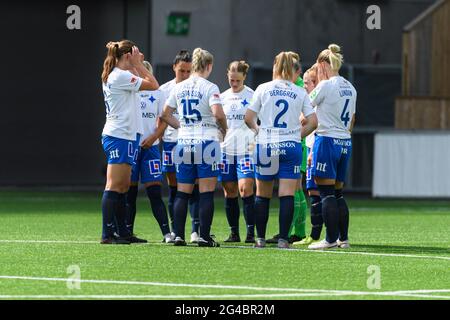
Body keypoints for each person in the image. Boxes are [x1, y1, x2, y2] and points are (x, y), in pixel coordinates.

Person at [245, 51, 317, 249]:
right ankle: (284, 239)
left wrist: (259, 131)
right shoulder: (299, 91)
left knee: (262, 194)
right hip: (290, 146)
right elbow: (313, 122)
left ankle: (260, 239)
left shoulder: (263, 88)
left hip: (266, 145)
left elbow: (248, 117)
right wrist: (297, 136)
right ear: (292, 69)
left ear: (275, 66)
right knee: (287, 195)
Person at [161, 47, 227, 247]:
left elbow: (165, 114)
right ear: (208, 66)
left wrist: (183, 127)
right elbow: (217, 114)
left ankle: (178, 235)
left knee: (182, 191)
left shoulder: (178, 87)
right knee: (206, 192)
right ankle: (204, 237)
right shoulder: (210, 87)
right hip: (206, 141)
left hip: (184, 143)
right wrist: (224, 130)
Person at [100, 40, 159, 244]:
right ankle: (107, 234)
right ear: (127, 56)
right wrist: (139, 66)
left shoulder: (121, 75)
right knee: (115, 184)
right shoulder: (120, 75)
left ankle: (122, 232)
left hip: (127, 135)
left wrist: (135, 65)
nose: (140, 55)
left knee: (124, 186)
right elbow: (154, 85)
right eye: (136, 53)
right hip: (119, 136)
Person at [307, 44, 357, 250]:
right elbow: (352, 119)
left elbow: (306, 107)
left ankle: (329, 239)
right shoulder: (351, 88)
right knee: (338, 193)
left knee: (325, 192)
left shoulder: (325, 86)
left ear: (322, 65)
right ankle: (343, 239)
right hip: (345, 141)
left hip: (327, 140)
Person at [126, 61, 173, 244]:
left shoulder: (158, 93)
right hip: (132, 146)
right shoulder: (130, 91)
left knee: (154, 192)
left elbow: (164, 119)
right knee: (129, 193)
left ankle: (166, 233)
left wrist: (154, 137)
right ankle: (127, 232)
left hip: (151, 149)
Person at [159, 50, 201, 243]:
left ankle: (195, 231)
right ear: (174, 67)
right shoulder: (164, 90)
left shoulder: (198, 87)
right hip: (170, 142)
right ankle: (176, 231)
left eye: (188, 71)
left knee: (194, 185)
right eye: (181, 70)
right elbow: (161, 116)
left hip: (192, 142)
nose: (184, 75)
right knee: (174, 187)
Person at [219, 61, 256, 243]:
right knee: (230, 190)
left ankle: (251, 232)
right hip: (226, 150)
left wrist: (256, 140)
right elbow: (217, 122)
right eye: (231, 80)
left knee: (246, 188)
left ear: (244, 78)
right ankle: (234, 232)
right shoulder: (222, 97)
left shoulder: (252, 96)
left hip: (246, 150)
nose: (234, 84)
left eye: (238, 81)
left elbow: (261, 122)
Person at [294, 65, 325, 246]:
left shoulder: (314, 102)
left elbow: (303, 120)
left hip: (316, 148)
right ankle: (332, 235)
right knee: (324, 192)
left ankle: (314, 235)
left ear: (315, 83)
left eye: (306, 83)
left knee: (315, 191)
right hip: (318, 147)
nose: (304, 86)